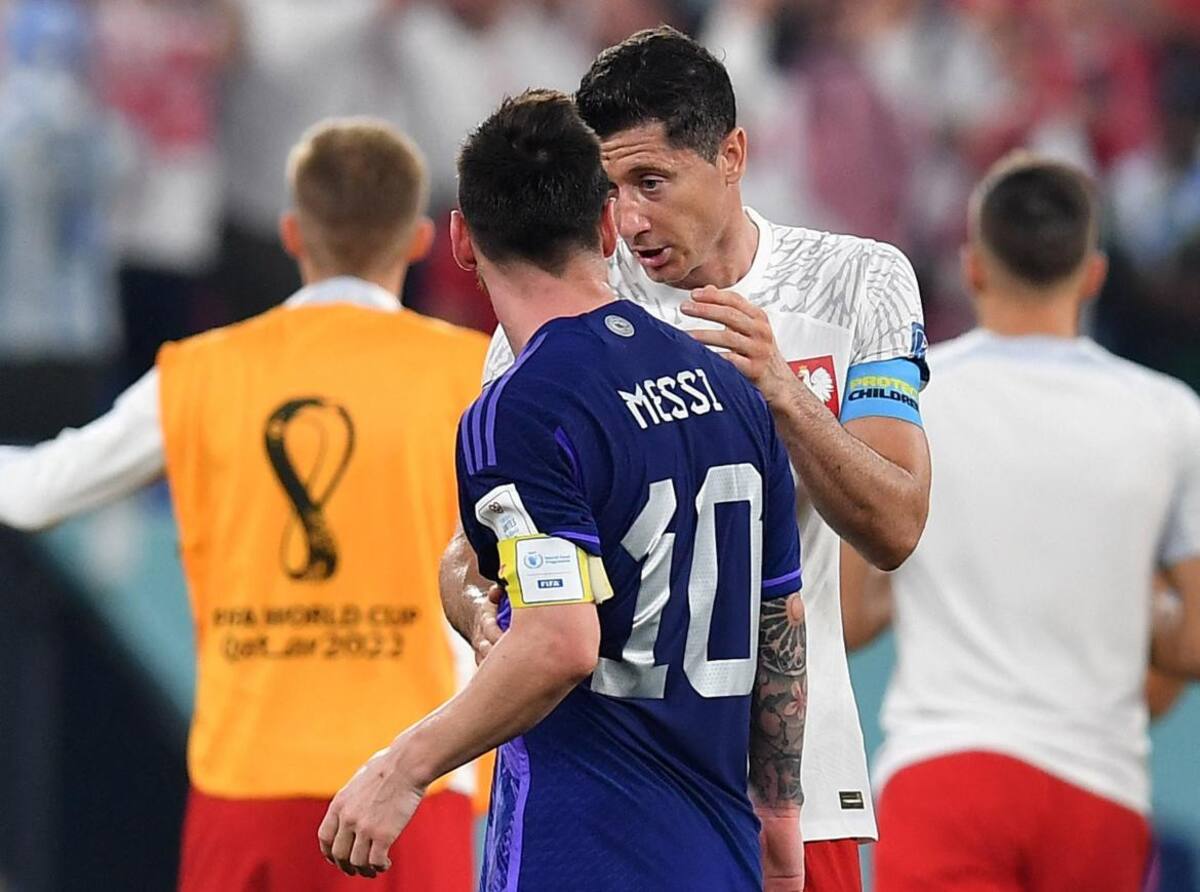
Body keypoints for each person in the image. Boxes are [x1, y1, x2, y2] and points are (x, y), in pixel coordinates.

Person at [440, 26, 932, 891]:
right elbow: (467, 550)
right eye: (612, 189)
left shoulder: (855, 280)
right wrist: (481, 612)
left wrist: (781, 393)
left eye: (652, 181)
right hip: (612, 802)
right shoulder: (560, 311)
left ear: (733, 154)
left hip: (797, 793)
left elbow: (895, 523)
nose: (627, 221)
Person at [318, 89, 807, 891]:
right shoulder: (731, 388)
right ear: (608, 226)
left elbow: (560, 641)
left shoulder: (520, 409)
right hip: (720, 854)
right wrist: (781, 823)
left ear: (462, 242)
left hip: (584, 852)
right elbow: (778, 624)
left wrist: (400, 770)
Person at [0, 118, 487, 891]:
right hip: (415, 788)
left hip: (249, 783)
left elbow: (31, 493)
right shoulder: (477, 378)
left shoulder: (202, 374)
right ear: (421, 239)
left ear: (293, 233)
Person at [842, 153, 1200, 891]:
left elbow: (850, 615)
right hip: (1098, 789)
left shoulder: (911, 403)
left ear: (973, 267)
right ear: (1093, 273)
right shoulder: (1170, 416)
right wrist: (1120, 613)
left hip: (944, 776)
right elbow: (1193, 637)